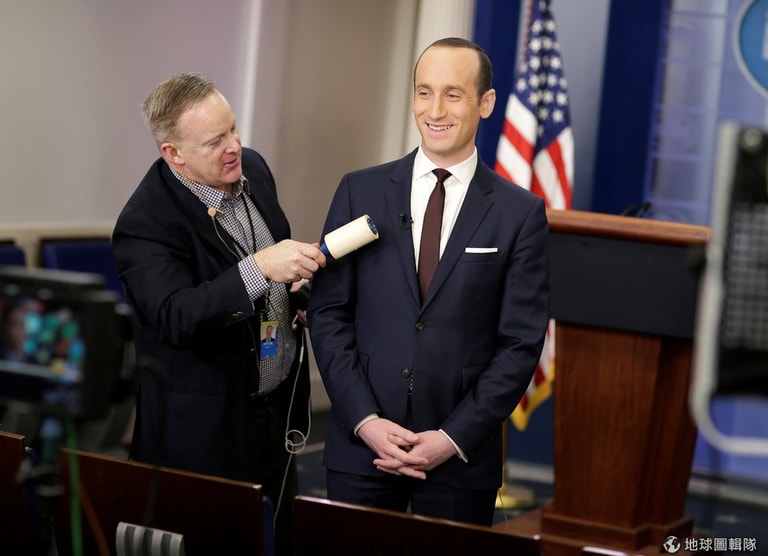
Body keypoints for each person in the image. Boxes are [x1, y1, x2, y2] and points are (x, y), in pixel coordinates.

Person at [307, 37, 550, 526]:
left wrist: (452, 438)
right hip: (362, 449)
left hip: (459, 460)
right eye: (424, 92)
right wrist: (366, 421)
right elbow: (329, 314)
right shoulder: (359, 190)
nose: (435, 110)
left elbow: (521, 344)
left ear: (486, 103)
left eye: (453, 94)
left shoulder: (520, 214)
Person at [112, 72, 326, 555]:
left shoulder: (255, 170)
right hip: (205, 432)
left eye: (233, 129)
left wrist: (298, 295)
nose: (234, 148)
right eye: (215, 141)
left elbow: (276, 274)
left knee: (280, 539)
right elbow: (175, 315)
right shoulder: (145, 222)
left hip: (276, 411)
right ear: (174, 153)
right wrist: (258, 269)